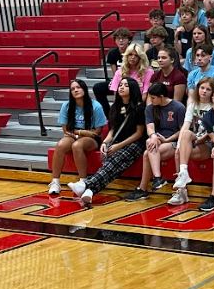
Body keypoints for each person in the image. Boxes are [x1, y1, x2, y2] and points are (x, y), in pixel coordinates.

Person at [68, 77, 147, 206]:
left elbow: (139, 133)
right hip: (117, 140)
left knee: (116, 160)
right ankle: (90, 191)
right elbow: (113, 130)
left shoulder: (139, 107)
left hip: (135, 143)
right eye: (120, 85)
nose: (121, 87)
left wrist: (118, 146)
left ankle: (86, 184)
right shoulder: (115, 106)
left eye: (125, 85)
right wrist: (105, 142)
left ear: (132, 88)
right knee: (111, 164)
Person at [123, 83, 186, 201]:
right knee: (149, 144)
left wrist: (167, 139)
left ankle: (145, 187)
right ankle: (156, 179)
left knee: (148, 153)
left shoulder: (178, 107)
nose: (150, 100)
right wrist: (153, 136)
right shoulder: (150, 108)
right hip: (158, 142)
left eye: (153, 98)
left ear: (161, 96)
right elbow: (150, 127)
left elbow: (183, 131)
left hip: (174, 141)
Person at [48, 79, 108, 195]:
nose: (76, 90)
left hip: (92, 140)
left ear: (84, 89)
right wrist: (82, 132)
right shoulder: (66, 106)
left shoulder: (96, 106)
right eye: (72, 89)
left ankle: (83, 181)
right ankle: (55, 181)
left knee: (77, 145)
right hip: (73, 135)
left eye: (78, 87)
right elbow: (66, 130)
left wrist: (79, 133)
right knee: (60, 145)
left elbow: (97, 132)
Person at [166, 76, 214, 205]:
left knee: (183, 146)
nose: (204, 91)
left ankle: (182, 178)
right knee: (180, 148)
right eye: (202, 88)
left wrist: (198, 140)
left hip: (208, 142)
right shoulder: (193, 104)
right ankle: (181, 191)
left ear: (213, 92)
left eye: (208, 89)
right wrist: (179, 144)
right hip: (193, 140)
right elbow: (186, 125)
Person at [93, 27, 134, 116]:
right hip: (119, 80)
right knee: (98, 87)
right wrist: (117, 83)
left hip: (132, 81)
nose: (121, 41)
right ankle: (108, 114)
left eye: (123, 38)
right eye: (118, 38)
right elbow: (115, 73)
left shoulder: (133, 52)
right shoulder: (112, 53)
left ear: (129, 40)